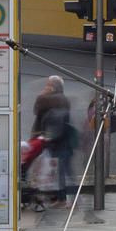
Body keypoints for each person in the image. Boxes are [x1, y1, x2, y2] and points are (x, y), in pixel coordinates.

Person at [32, 76, 76, 208]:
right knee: (62, 173)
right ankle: (64, 198)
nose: (46, 86)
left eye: (49, 84)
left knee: (62, 173)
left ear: (54, 87)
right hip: (60, 143)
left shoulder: (53, 99)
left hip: (59, 144)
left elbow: (39, 109)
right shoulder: (61, 99)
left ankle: (65, 199)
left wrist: (48, 137)